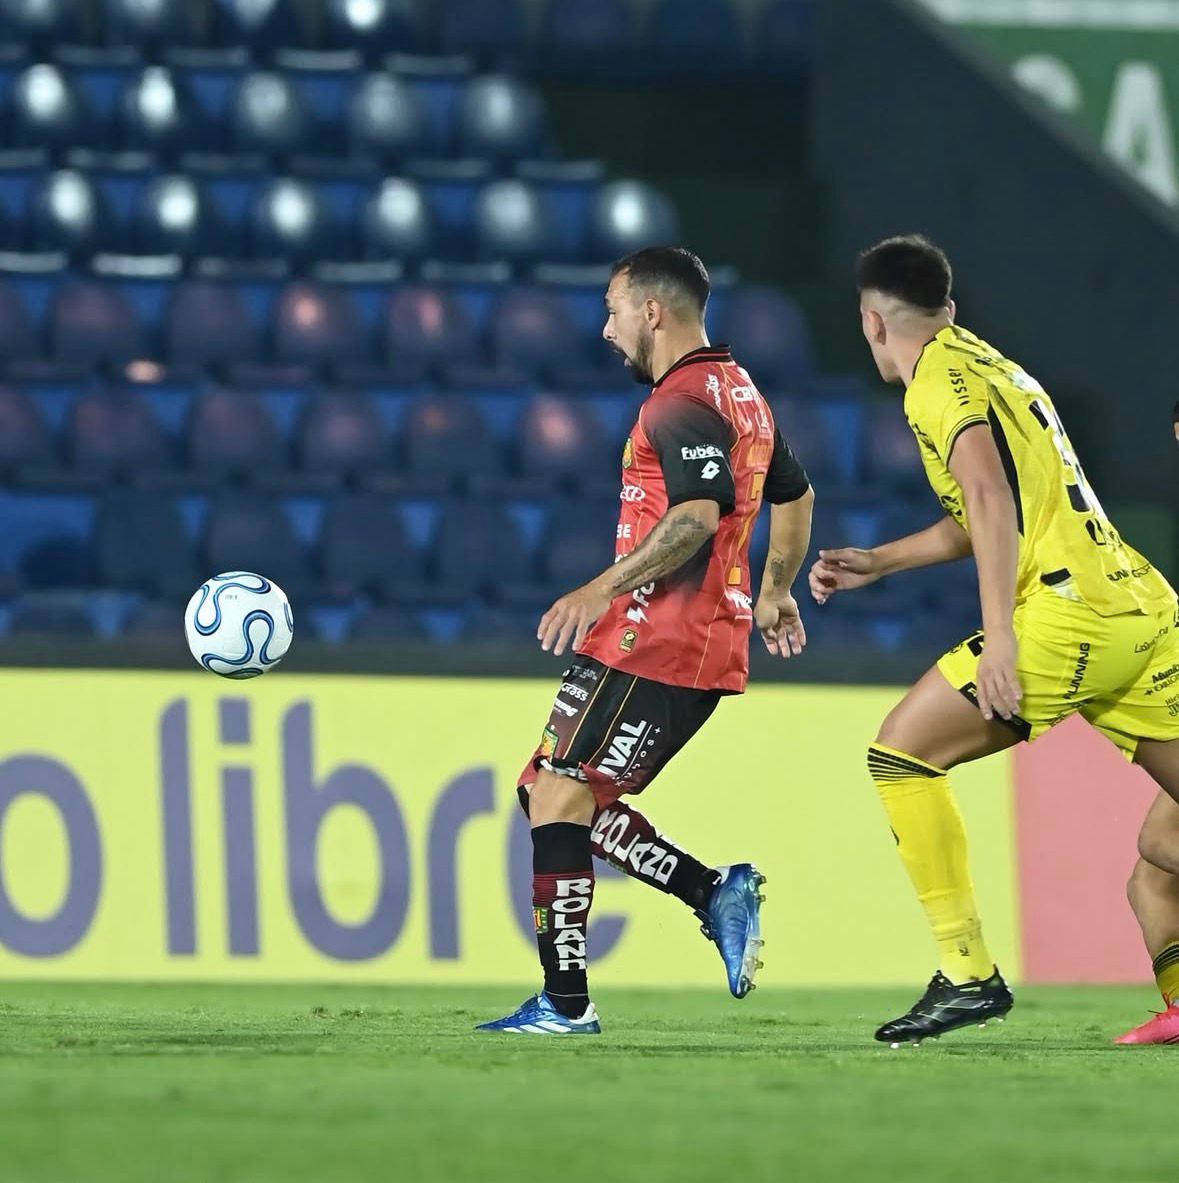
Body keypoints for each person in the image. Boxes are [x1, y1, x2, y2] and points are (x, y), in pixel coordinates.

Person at [809, 234, 1179, 1047]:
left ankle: (967, 972)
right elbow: (989, 506)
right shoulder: (990, 363)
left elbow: (987, 497)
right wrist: (883, 560)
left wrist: (1002, 637)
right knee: (1164, 846)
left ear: (872, 322)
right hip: (1137, 604)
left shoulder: (933, 382)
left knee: (900, 755)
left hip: (1068, 614)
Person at [478, 247, 814, 1034]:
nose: (606, 329)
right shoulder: (741, 394)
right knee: (548, 794)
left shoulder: (680, 402)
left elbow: (696, 517)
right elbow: (794, 495)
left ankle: (565, 1005)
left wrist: (597, 588)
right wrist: (773, 591)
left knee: (560, 791)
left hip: (657, 638)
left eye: (613, 310)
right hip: (677, 642)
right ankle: (710, 891)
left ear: (652, 313)